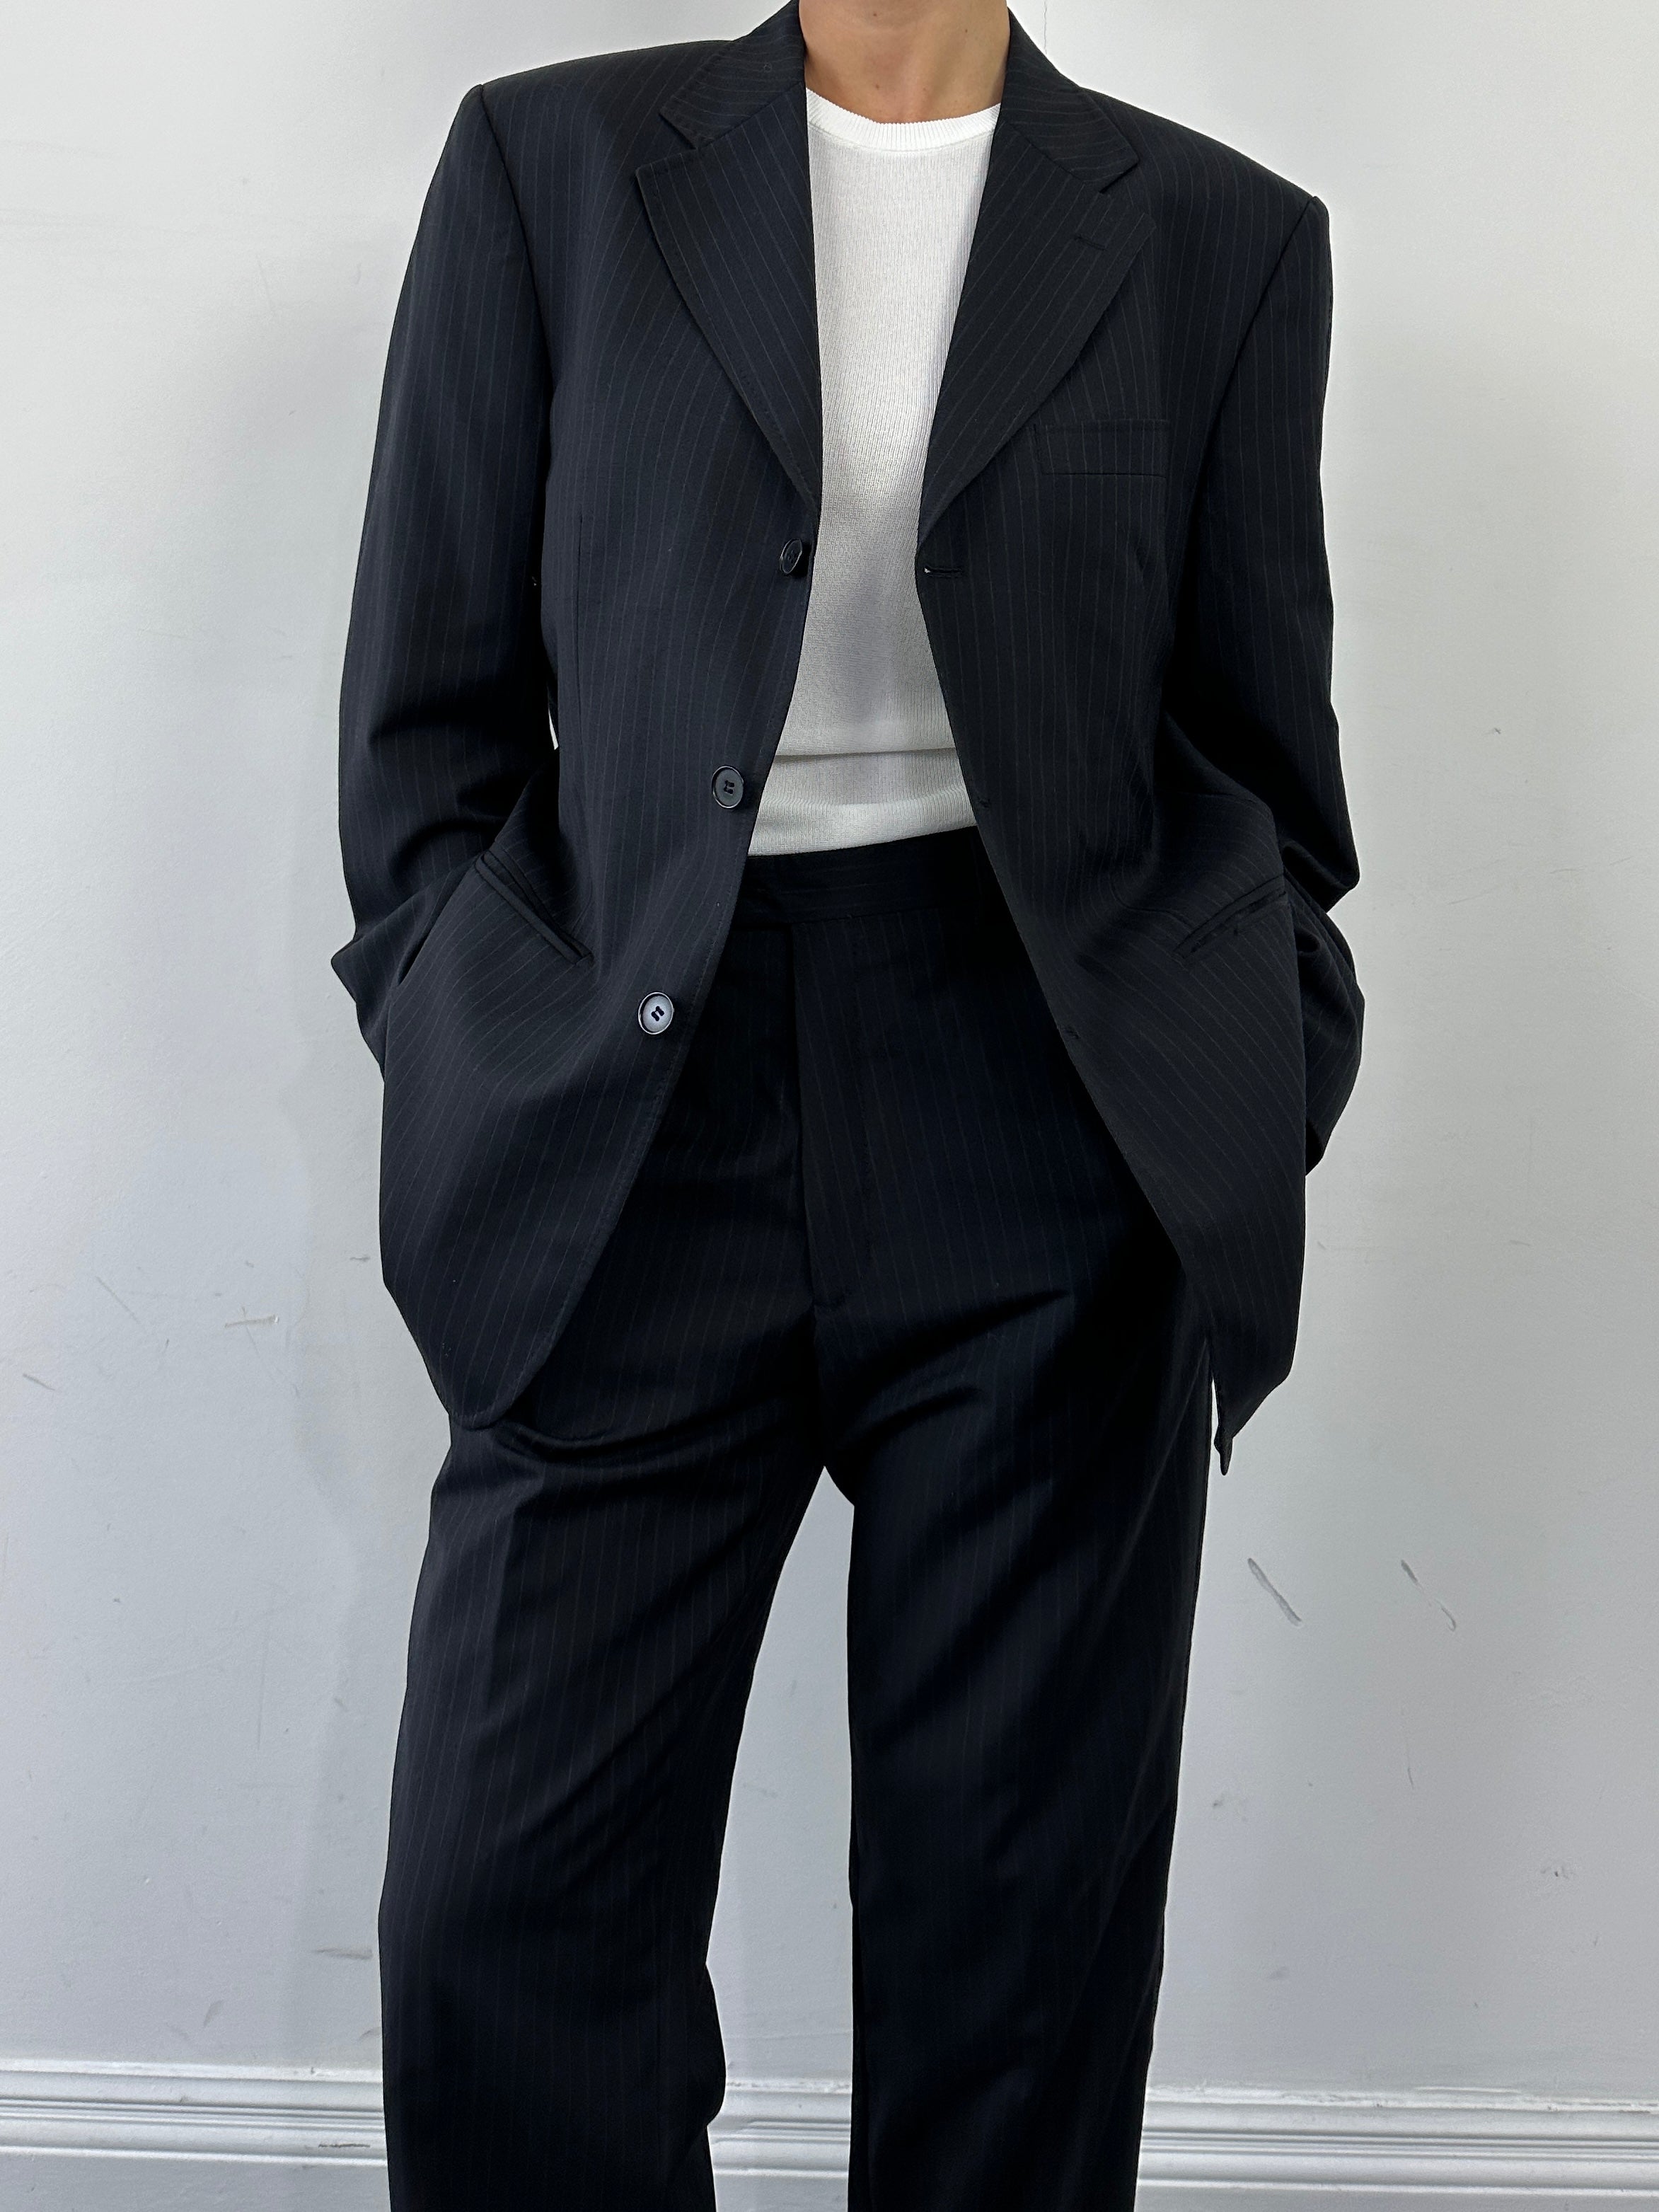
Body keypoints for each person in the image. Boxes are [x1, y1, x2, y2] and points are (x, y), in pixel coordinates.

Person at [330, 0, 1363, 2201]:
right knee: (503, 1919)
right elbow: (426, 710)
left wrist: (1242, 1067)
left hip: (1042, 1112)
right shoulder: (554, 171)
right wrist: (457, 1020)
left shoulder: (1212, 234)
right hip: (629, 1108)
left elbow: (1257, 751)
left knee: (1015, 1938)